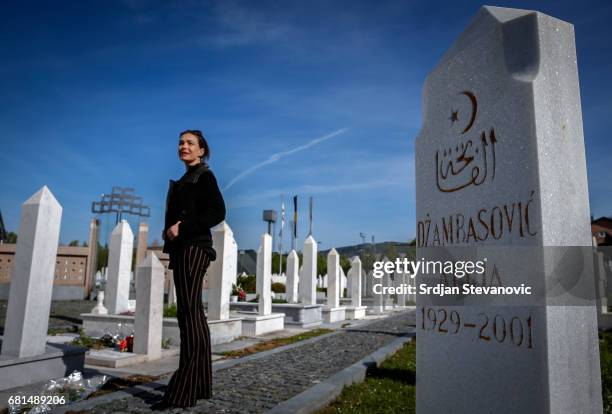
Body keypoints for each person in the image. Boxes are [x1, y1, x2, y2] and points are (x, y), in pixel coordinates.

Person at [153, 129, 225, 410]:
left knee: (189, 313)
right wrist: (170, 231)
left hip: (194, 248)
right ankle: (199, 384)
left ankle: (182, 390)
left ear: (202, 150)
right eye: (181, 142)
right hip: (184, 248)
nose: (183, 146)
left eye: (190, 143)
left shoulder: (204, 175)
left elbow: (217, 212)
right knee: (190, 315)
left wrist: (183, 227)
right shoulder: (185, 179)